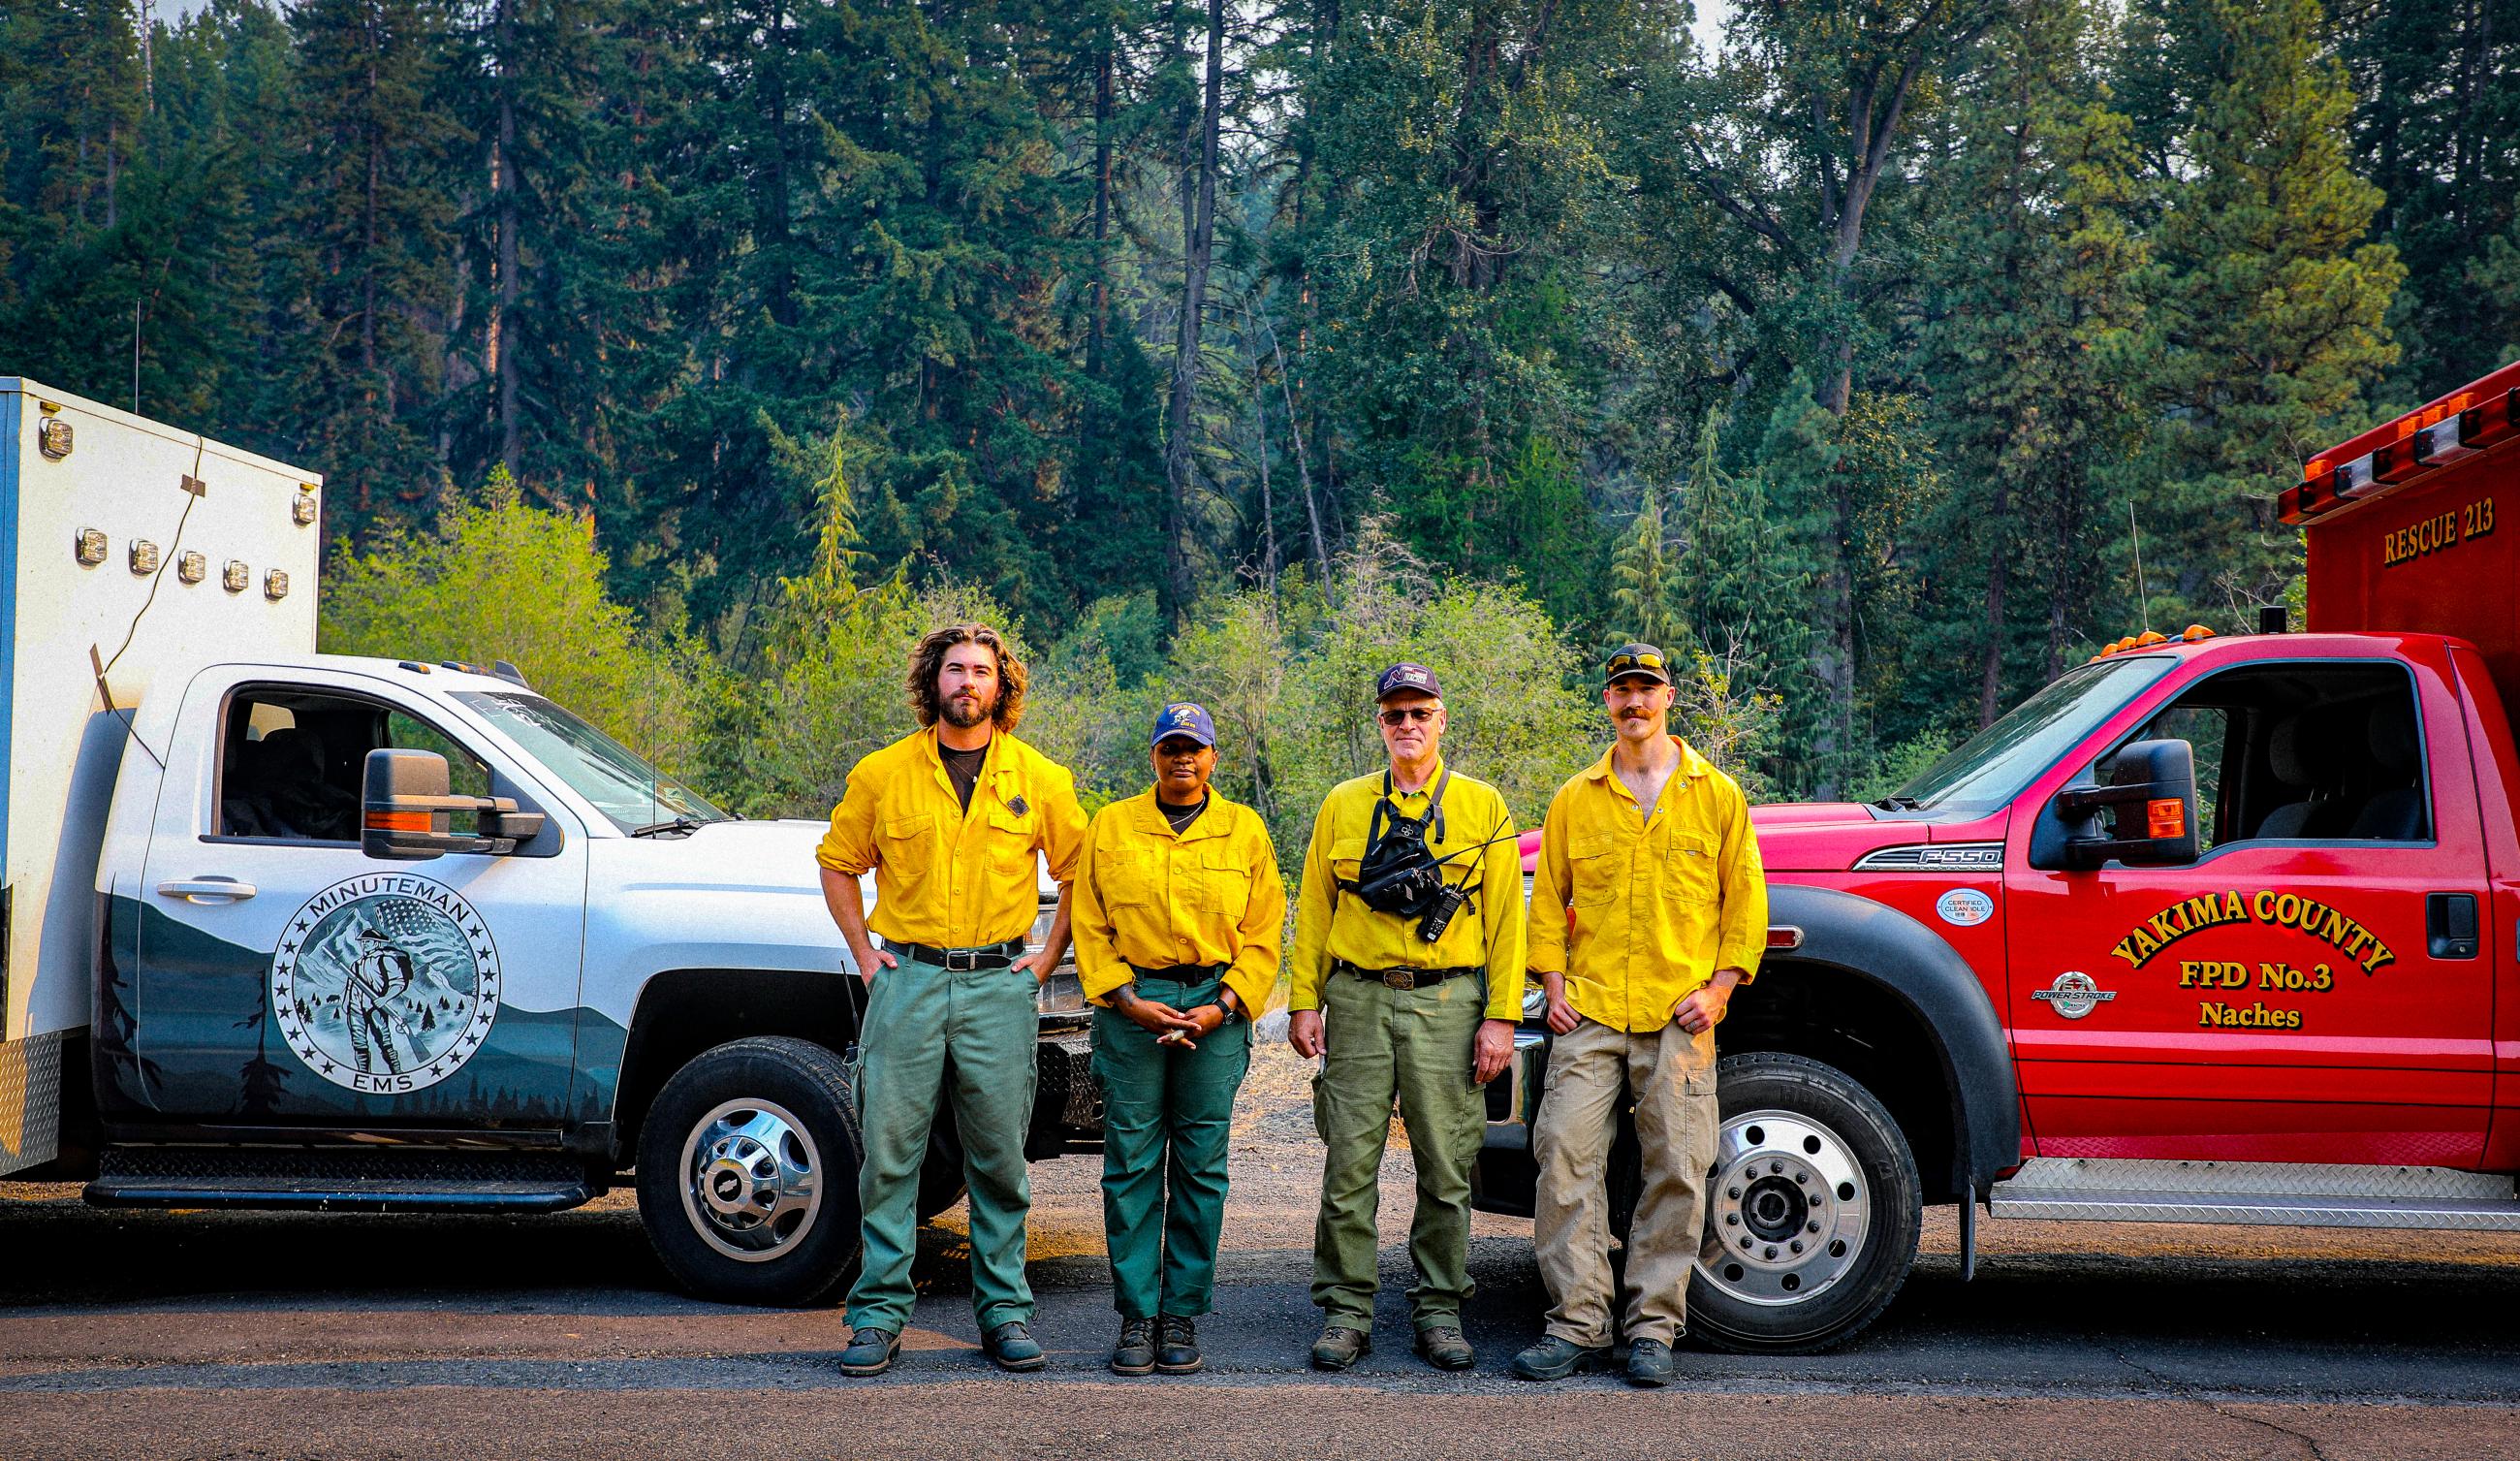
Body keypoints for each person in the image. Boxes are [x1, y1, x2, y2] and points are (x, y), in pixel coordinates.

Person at [814, 623, 1087, 1378]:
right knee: (889, 1155)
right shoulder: (884, 773)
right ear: (933, 679)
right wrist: (868, 959)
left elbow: (1079, 874)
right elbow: (838, 865)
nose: (969, 682)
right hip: (910, 982)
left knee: (998, 1157)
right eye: (956, 669)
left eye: (983, 671)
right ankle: (876, 1314)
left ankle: (1004, 1311)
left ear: (1003, 686)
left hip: (999, 986)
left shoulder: (1040, 777)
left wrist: (1045, 960)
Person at [1511, 643, 1768, 1388]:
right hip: (1588, 1013)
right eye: (1621, 690)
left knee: (1678, 1170)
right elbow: (1545, 906)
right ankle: (1577, 1323)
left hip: (1677, 1018)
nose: (1634, 703)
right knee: (1562, 1155)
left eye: (1646, 690)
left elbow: (1744, 906)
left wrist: (1720, 989)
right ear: (1607, 702)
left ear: (1669, 697)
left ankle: (1653, 1327)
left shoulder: (1715, 794)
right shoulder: (1576, 798)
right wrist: (1553, 986)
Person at [1287, 663, 1525, 1373]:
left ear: (1442, 718)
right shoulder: (1343, 803)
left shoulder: (1484, 807)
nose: (1408, 725)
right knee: (1348, 1163)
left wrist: (1501, 1018)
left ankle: (1440, 1309)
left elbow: (1510, 924)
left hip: (1450, 1001)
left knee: (1446, 1165)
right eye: (1395, 715)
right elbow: (1315, 909)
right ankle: (1346, 1310)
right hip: (1357, 998)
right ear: (1380, 724)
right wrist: (1305, 999)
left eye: (1421, 712)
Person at [1070, 702, 1283, 1376]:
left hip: (1215, 1004)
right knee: (1131, 1163)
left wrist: (1225, 1005)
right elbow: (1089, 923)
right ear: (1154, 755)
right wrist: (1129, 1001)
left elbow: (1264, 930)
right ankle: (1137, 1313)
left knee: (1200, 1165)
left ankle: (1181, 1310)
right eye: (1171, 747)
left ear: (1213, 757)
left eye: (1195, 748)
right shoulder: (1111, 825)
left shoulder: (1243, 829)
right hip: (1135, 1002)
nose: (1182, 758)